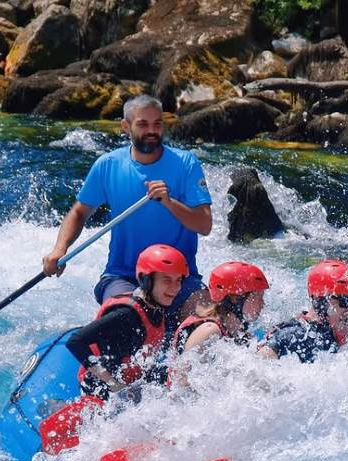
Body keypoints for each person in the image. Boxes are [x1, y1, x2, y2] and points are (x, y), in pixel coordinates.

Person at [41, 94, 213, 322]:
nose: (151, 131)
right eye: (143, 124)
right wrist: (59, 249)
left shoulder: (186, 163)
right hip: (124, 276)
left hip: (180, 277)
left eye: (157, 124)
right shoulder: (107, 165)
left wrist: (169, 202)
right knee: (126, 319)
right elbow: (79, 213)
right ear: (126, 126)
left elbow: (204, 225)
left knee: (207, 320)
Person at [66, 244, 189, 399]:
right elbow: (75, 341)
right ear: (146, 280)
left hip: (131, 379)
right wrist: (114, 385)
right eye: (167, 280)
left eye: (178, 280)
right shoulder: (125, 314)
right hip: (101, 388)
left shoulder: (155, 306)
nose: (175, 288)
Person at [258, 259, 348, 363]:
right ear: (322, 302)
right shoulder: (291, 335)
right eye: (346, 301)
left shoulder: (345, 337)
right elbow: (260, 361)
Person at [172, 261, 269, 356]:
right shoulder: (209, 331)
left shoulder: (238, 331)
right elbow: (183, 367)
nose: (263, 304)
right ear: (236, 299)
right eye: (258, 297)